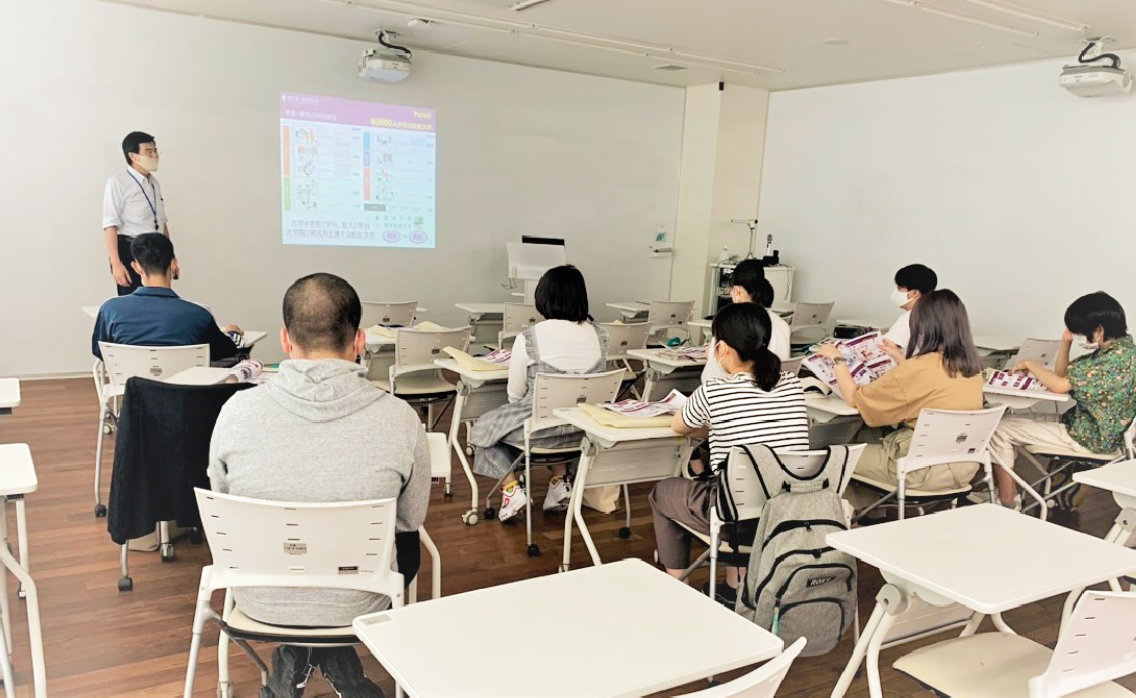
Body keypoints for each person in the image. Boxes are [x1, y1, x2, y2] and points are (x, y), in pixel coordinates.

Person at [209, 272, 430, 697]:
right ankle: (333, 659)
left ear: (286, 340)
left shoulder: (235, 413)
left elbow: (223, 505)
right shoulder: (401, 418)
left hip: (260, 598)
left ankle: (299, 656)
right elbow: (410, 519)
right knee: (402, 539)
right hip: (361, 598)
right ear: (360, 340)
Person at [650, 303, 809, 604]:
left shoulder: (715, 391)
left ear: (722, 348)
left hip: (737, 519)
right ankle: (734, 587)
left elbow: (678, 426)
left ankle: (676, 589)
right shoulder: (792, 384)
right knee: (741, 484)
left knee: (663, 493)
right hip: (787, 511)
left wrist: (712, 427)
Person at [816, 289, 983, 508]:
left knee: (829, 454)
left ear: (924, 325)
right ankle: (873, 513)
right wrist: (899, 357)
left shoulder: (919, 367)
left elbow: (856, 399)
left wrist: (837, 359)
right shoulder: (972, 367)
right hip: (963, 467)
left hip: (917, 470)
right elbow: (930, 383)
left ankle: (847, 516)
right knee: (867, 433)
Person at [469, 265, 609, 521]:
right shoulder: (601, 335)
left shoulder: (530, 337)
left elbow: (515, 394)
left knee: (482, 431)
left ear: (543, 298)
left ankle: (511, 488)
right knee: (551, 419)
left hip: (538, 433)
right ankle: (559, 481)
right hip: (583, 433)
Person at [988, 292, 1136, 508]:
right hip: (1098, 429)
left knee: (998, 428)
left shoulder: (1110, 361)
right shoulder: (1124, 351)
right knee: (1010, 422)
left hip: (1090, 436)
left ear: (1099, 329)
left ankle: (1008, 502)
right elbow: (1063, 376)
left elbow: (1059, 386)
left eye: (1081, 332)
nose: (1079, 336)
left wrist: (1030, 364)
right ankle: (1017, 492)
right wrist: (1065, 342)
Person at [91, 233, 241, 364]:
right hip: (185, 394)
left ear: (136, 267)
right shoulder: (198, 315)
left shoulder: (110, 309)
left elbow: (101, 352)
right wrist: (233, 334)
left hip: (134, 393)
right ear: (173, 263)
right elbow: (227, 353)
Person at [103, 131, 177, 295]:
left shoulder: (154, 183)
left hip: (157, 249)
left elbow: (162, 223)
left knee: (160, 299)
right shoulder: (118, 182)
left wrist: (171, 256)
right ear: (133, 156)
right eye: (149, 152)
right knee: (133, 301)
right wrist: (116, 263)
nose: (155, 155)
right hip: (132, 248)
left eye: (156, 151)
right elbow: (110, 225)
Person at [702, 259, 791, 383]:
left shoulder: (732, 323)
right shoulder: (782, 324)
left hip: (729, 394)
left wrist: (712, 351)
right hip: (772, 390)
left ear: (736, 290)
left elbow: (711, 376)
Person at [881, 263, 937, 360]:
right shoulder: (934, 315)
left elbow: (883, 349)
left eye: (899, 288)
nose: (896, 292)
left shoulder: (909, 319)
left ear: (914, 293)